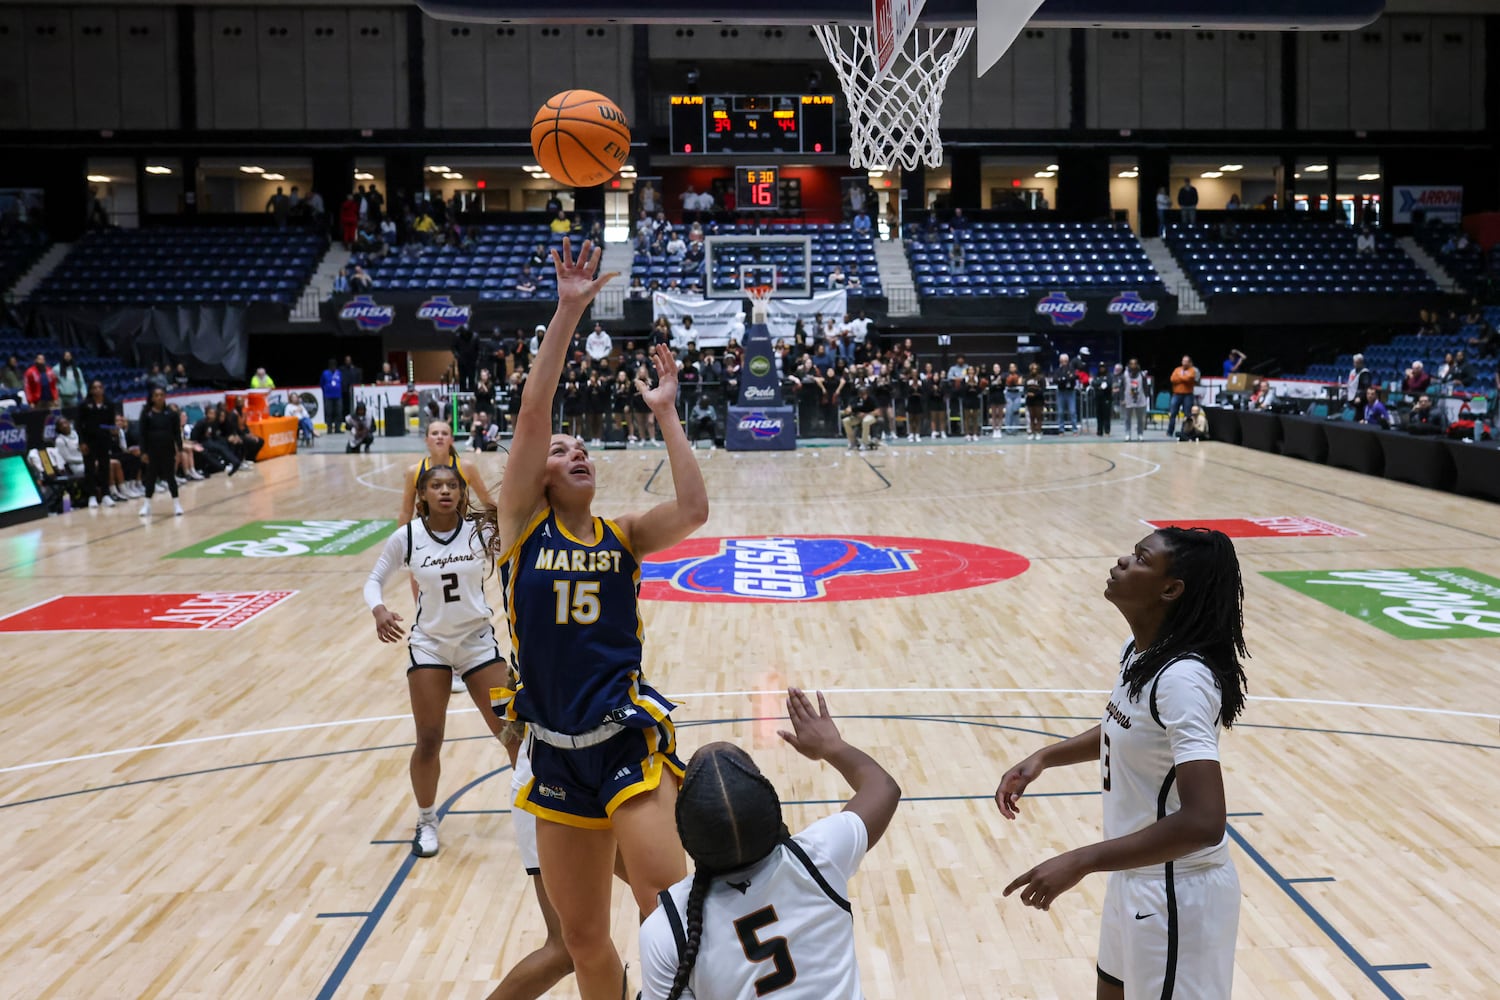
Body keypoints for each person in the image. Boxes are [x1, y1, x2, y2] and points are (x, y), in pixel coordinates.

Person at [489, 239, 708, 1000]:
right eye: (560, 450)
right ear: (536, 474)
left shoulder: (622, 534)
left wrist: (668, 415)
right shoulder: (520, 529)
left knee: (670, 921)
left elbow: (692, 509)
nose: (575, 451)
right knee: (585, 942)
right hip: (553, 756)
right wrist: (569, 310)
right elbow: (531, 412)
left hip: (624, 745)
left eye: (583, 447)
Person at [997, 526, 1249, 1000]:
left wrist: (1081, 860)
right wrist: (1046, 757)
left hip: (1179, 892)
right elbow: (1129, 729)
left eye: (1139, 559)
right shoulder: (1141, 654)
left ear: (1170, 589)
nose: (1120, 562)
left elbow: (1205, 821)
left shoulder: (1184, 680)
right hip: (1135, 875)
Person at [639, 689, 901, 1000]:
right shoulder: (819, 857)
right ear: (772, 811)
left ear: (685, 832)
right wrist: (832, 746)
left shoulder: (666, 929)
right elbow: (883, 788)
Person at [364, 464, 511, 858]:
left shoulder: (481, 532)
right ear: (422, 494)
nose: (444, 491)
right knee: (429, 739)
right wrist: (379, 610)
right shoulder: (407, 537)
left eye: (451, 485)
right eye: (435, 485)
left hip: (477, 642)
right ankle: (427, 819)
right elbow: (373, 580)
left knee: (512, 731)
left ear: (462, 493)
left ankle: (538, 809)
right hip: (430, 644)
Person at [137, 386, 184, 517]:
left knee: (170, 478)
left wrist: (179, 449)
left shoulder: (171, 414)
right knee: (150, 478)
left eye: (161, 395)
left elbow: (177, 433)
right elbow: (142, 435)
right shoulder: (146, 414)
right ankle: (146, 505)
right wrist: (143, 452)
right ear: (152, 398)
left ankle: (176, 504)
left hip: (168, 450)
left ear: (165, 397)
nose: (159, 397)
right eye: (156, 395)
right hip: (152, 451)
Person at [77, 380, 117, 507]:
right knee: (90, 468)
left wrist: (112, 429)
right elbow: (78, 425)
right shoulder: (84, 405)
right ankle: (92, 496)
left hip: (104, 440)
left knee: (105, 467)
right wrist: (82, 442)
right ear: (91, 390)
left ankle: (106, 494)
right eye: (94, 387)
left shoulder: (109, 404)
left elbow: (111, 423)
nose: (97, 389)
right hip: (89, 441)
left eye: (100, 387)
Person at [1166, 356, 1199, 437]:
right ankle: (1170, 431)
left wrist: (1180, 377)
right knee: (1173, 413)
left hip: (1188, 394)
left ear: (1189, 362)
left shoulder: (1192, 370)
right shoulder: (1177, 369)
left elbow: (1189, 379)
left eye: (1186, 361)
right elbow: (1172, 379)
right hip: (1176, 394)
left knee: (1187, 414)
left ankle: (1184, 432)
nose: (1184, 363)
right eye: (1183, 361)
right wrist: (1183, 378)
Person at [1121, 359, 1151, 442]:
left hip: (1140, 399)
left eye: (1135, 364)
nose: (1133, 365)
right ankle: (1128, 435)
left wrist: (1146, 397)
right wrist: (1122, 399)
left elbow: (1146, 387)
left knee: (1140, 419)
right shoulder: (1125, 374)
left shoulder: (1142, 374)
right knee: (1127, 419)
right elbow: (1122, 387)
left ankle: (1140, 434)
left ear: (1137, 365)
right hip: (1128, 399)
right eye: (1131, 364)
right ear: (1129, 365)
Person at [1345, 353, 1372, 421]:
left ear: (1361, 363)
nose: (1355, 364)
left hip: (1359, 400)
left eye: (1357, 363)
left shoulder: (1365, 373)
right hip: (1351, 397)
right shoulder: (1352, 372)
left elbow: (1366, 387)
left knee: (1358, 418)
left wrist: (1360, 397)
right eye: (1354, 362)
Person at [1023, 362, 1046, 440]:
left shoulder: (1041, 378)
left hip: (1039, 400)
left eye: (1035, 369)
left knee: (1039, 417)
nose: (1034, 370)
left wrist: (1035, 394)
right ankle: (1032, 432)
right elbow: (1025, 388)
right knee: (1031, 417)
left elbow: (1043, 389)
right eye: (1032, 368)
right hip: (1029, 400)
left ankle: (1038, 432)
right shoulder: (1027, 378)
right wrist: (1027, 393)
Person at [1093, 362, 1114, 437]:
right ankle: (1099, 431)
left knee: (1106, 415)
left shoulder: (1109, 375)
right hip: (1098, 398)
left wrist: (1101, 385)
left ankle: (1107, 431)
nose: (1102, 368)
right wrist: (1101, 384)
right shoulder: (1096, 375)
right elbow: (1094, 383)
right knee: (1099, 415)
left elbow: (1108, 384)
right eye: (1100, 367)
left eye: (1103, 367)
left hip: (1106, 398)